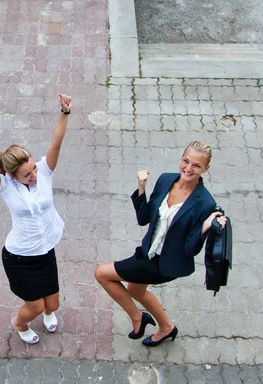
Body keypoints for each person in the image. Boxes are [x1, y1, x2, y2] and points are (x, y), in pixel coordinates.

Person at [0, 94, 72, 344]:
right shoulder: (5, 186)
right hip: (19, 257)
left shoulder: (44, 172)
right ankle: (20, 324)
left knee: (52, 304)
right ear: (13, 175)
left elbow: (56, 143)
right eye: (26, 174)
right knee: (33, 307)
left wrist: (64, 113)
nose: (33, 175)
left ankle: (46, 312)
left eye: (32, 168)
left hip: (45, 251)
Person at [94, 141, 227, 347]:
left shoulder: (205, 203)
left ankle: (137, 318)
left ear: (206, 169)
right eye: (185, 161)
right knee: (136, 292)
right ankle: (166, 328)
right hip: (147, 252)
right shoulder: (165, 180)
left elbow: (190, 249)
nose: (188, 169)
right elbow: (144, 218)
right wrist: (141, 187)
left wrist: (205, 227)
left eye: (196, 166)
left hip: (166, 264)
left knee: (101, 273)